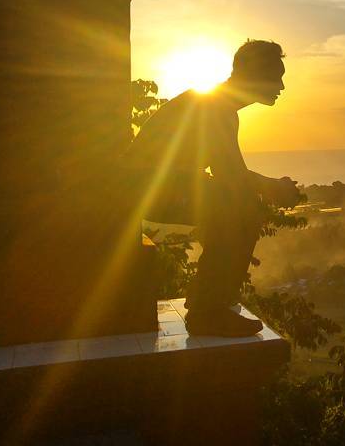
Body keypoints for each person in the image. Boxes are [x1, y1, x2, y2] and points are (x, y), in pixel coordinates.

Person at [126, 39, 299, 337]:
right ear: (254, 76)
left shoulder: (216, 105)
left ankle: (209, 301)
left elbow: (229, 172)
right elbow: (231, 176)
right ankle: (207, 311)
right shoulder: (215, 108)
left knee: (240, 204)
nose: (281, 86)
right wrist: (274, 186)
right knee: (239, 209)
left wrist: (268, 186)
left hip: (156, 186)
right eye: (276, 76)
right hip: (145, 190)